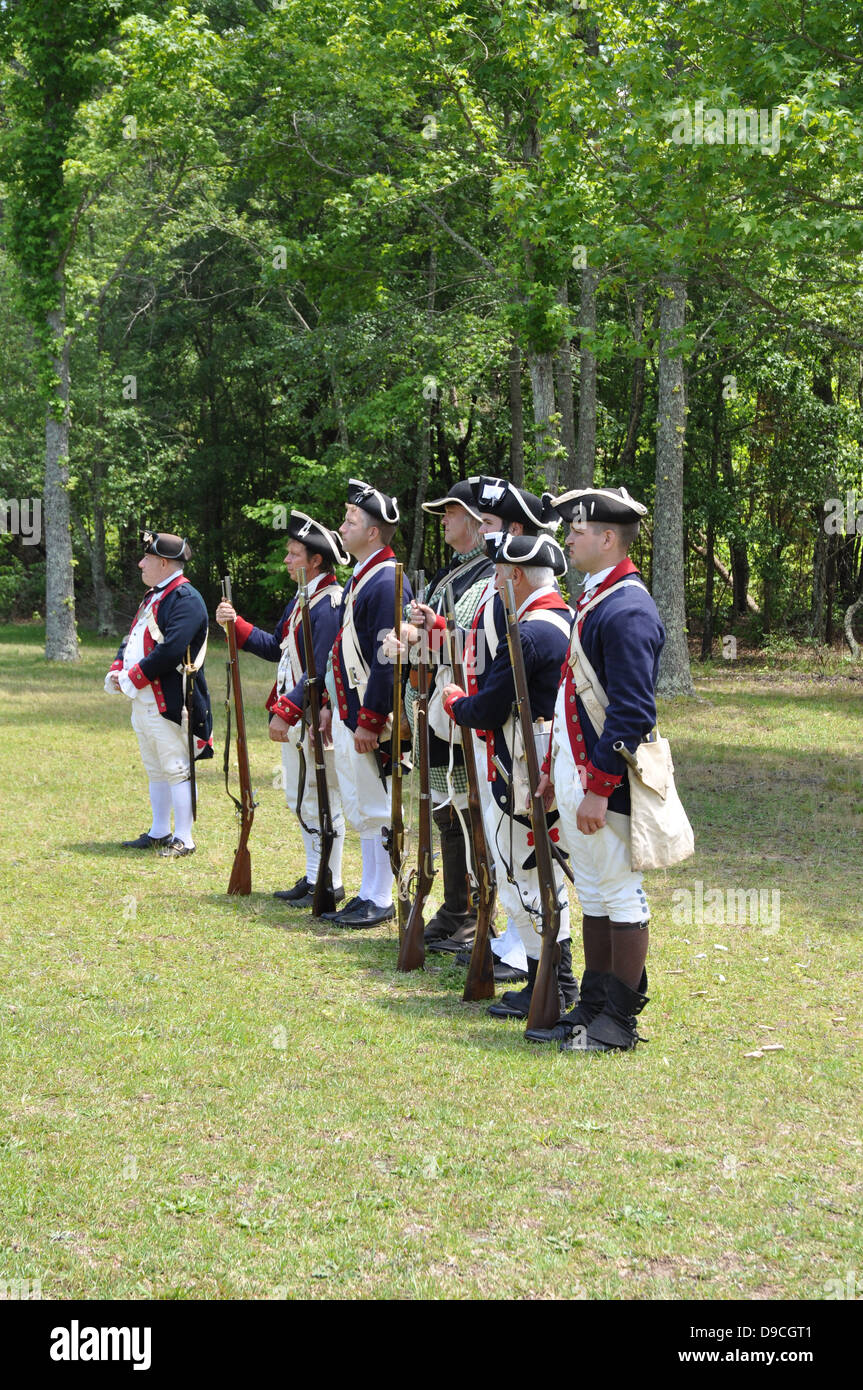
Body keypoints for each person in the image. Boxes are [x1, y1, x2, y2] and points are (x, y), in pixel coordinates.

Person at [528, 486, 665, 1052]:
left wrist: (599, 787)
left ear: (608, 538)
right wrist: (552, 770)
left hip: (606, 784)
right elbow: (571, 699)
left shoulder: (627, 607)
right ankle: (594, 1003)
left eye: (577, 531)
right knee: (595, 892)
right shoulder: (596, 599)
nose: (567, 539)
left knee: (620, 894)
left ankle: (620, 1022)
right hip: (579, 778)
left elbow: (632, 711)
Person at [440, 531, 579, 1022]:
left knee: (522, 875)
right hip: (545, 764)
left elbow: (489, 707)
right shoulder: (563, 621)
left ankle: (553, 982)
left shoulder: (528, 633)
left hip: (520, 770)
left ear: (515, 576)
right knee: (535, 874)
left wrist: (456, 703)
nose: (495, 582)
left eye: (499, 574)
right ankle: (553, 979)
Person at [214, 511, 349, 907]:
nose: (287, 561)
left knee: (322, 799)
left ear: (316, 560)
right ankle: (313, 876)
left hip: (311, 717)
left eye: (294, 555)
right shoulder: (304, 598)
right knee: (301, 797)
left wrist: (287, 709)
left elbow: (320, 666)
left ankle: (330, 880)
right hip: (299, 716)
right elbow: (277, 647)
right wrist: (235, 624)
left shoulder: (329, 604)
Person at [389, 479, 493, 953]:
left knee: (469, 806)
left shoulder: (490, 574)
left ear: (473, 520)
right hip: (434, 703)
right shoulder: (454, 574)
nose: (444, 520)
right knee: (443, 809)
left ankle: (477, 908)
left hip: (464, 705)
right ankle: (455, 907)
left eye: (450, 513)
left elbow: (481, 645)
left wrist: (435, 629)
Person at [317, 479, 413, 928]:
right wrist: (331, 707)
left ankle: (380, 896)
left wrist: (371, 719)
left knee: (376, 808)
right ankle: (366, 891)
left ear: (373, 532)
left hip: (368, 717)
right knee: (361, 807)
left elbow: (387, 658)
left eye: (350, 520)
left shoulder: (388, 580)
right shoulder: (366, 577)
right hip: (348, 710)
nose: (342, 526)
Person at [106, 529, 212, 858]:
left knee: (176, 767)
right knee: (155, 767)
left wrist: (133, 677)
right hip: (145, 697)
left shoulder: (185, 598)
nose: (141, 563)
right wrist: (117, 668)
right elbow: (133, 637)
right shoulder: (155, 595)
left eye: (147, 558)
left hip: (170, 697)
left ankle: (184, 837)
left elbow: (171, 651)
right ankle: (159, 830)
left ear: (164, 563)